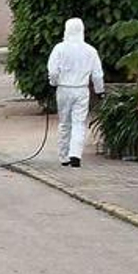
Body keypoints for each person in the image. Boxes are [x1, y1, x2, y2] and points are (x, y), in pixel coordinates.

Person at [47, 17, 104, 168]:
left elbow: (52, 71)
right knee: (79, 123)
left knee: (64, 123)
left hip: (63, 89)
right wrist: (100, 91)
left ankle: (64, 156)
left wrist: (53, 83)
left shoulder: (59, 48)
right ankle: (75, 155)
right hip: (81, 90)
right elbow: (97, 74)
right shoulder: (90, 50)